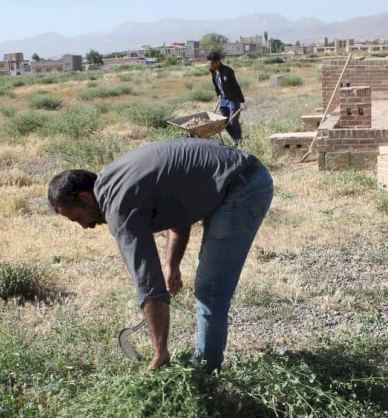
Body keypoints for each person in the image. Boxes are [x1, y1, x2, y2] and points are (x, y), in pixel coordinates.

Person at [47, 138, 273, 372]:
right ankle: (206, 365)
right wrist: (171, 264)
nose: (85, 226)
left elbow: (148, 282)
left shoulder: (118, 206)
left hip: (242, 186)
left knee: (211, 290)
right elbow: (178, 211)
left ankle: (205, 372)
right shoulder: (114, 181)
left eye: (77, 218)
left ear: (85, 197)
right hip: (237, 174)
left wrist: (159, 351)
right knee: (209, 286)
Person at [207, 51, 245, 145]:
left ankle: (237, 140)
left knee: (233, 121)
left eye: (213, 63)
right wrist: (219, 94)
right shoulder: (213, 71)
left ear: (218, 61)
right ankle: (236, 139)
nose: (211, 65)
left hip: (233, 99)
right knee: (224, 122)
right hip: (223, 99)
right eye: (210, 63)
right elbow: (216, 84)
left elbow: (236, 86)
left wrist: (242, 100)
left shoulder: (228, 71)